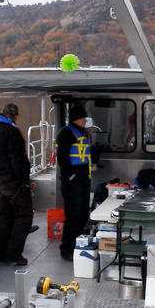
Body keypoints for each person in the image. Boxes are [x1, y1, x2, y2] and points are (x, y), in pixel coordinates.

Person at [0, 103, 34, 266]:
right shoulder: (12, 131)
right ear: (13, 116)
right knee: (24, 215)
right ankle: (14, 254)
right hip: (12, 178)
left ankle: (1, 254)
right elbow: (17, 159)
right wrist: (24, 181)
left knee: (5, 215)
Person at [56, 103, 92, 261]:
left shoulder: (82, 133)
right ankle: (66, 249)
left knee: (84, 213)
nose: (85, 120)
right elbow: (62, 158)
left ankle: (78, 244)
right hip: (73, 181)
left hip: (83, 180)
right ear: (76, 118)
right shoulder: (67, 133)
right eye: (83, 117)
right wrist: (70, 175)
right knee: (74, 215)